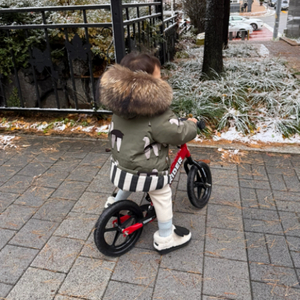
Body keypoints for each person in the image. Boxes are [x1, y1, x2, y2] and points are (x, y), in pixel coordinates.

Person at [98, 52, 198, 254]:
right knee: (162, 194)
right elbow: (176, 133)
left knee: (129, 180)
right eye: (158, 76)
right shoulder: (156, 113)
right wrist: (192, 125)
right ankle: (166, 237)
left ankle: (115, 204)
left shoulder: (119, 105)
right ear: (146, 82)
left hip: (121, 165)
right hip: (147, 171)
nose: (161, 80)